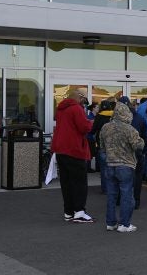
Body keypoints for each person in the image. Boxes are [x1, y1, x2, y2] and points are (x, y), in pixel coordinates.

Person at [99, 102, 144, 233]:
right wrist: (141, 141)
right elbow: (138, 146)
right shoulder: (129, 129)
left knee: (112, 195)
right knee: (126, 195)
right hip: (125, 165)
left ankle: (110, 223)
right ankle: (124, 224)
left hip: (110, 164)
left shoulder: (105, 127)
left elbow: (101, 146)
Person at [52, 88, 94, 223]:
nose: (84, 103)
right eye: (84, 100)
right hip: (74, 150)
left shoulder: (60, 109)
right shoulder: (76, 109)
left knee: (66, 183)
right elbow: (84, 128)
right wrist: (90, 122)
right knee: (79, 183)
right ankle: (79, 212)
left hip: (61, 150)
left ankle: (68, 212)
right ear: (80, 98)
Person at [118, 96, 147, 209]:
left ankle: (121, 199)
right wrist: (143, 150)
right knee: (137, 177)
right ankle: (135, 200)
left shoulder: (117, 120)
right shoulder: (140, 118)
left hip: (122, 152)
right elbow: (145, 136)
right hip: (137, 151)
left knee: (121, 177)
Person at [91, 99, 115, 194]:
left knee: (104, 169)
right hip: (114, 146)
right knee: (113, 168)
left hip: (102, 145)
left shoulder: (99, 116)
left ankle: (105, 189)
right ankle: (113, 188)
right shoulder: (115, 116)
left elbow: (93, 130)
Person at [86, 102, 99, 172]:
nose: (98, 109)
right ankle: (88, 168)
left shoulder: (95, 117)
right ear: (93, 108)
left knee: (93, 152)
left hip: (93, 137)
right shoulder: (89, 117)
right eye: (97, 107)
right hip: (89, 137)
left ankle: (90, 167)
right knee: (90, 153)